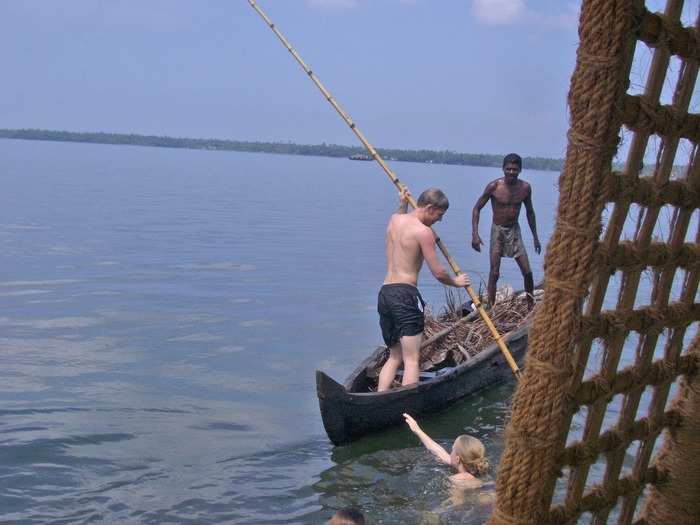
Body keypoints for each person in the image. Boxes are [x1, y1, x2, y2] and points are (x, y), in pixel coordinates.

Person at [377, 187, 470, 391]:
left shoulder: (394, 220)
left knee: (394, 356)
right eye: (439, 215)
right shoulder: (423, 232)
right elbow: (438, 273)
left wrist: (402, 202)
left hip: (385, 293)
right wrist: (457, 282)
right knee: (411, 359)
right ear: (429, 208)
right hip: (404, 295)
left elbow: (400, 215)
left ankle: (380, 397)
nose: (439, 220)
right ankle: (406, 408)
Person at [471, 153, 541, 307]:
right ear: (503, 169)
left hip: (514, 231)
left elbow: (530, 212)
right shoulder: (494, 186)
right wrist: (475, 234)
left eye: (514, 169)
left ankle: (531, 305)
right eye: (508, 169)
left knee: (527, 272)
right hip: (498, 231)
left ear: (520, 170)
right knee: (494, 272)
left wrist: (535, 237)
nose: (511, 172)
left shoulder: (525, 188)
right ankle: (491, 307)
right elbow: (477, 208)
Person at [403, 413, 489, 488]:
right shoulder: (479, 471)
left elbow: (456, 504)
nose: (450, 453)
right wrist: (417, 430)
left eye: (452, 450)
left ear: (457, 459)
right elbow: (438, 451)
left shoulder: (456, 480)